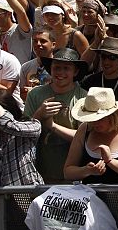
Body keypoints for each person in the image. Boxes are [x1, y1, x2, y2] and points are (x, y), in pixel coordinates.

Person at [23, 48, 89, 183]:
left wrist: (52, 126)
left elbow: (85, 138)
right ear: (50, 69)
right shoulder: (35, 94)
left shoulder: (84, 97)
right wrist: (38, 115)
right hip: (39, 172)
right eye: (57, 67)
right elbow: (23, 133)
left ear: (75, 71)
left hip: (72, 174)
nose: (60, 72)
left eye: (66, 68)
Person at [63, 87, 118, 184]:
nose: (95, 123)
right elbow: (67, 172)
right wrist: (87, 170)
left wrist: (110, 161)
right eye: (91, 118)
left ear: (113, 115)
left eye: (100, 119)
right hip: (91, 193)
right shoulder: (85, 129)